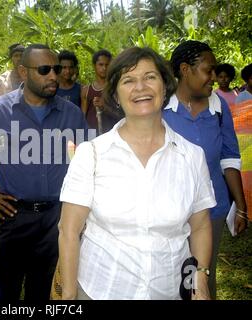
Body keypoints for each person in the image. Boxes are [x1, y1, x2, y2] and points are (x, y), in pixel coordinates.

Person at [58, 46, 216, 300]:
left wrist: (200, 275)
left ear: (165, 88)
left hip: (170, 290)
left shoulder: (191, 156)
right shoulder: (91, 154)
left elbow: (199, 226)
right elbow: (68, 231)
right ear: (116, 96)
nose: (140, 87)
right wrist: (67, 295)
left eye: (150, 77)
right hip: (101, 290)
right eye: (128, 80)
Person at [0, 44, 91, 301]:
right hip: (13, 216)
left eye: (56, 69)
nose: (53, 76)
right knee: (5, 289)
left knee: (45, 289)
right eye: (45, 70)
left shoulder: (71, 114)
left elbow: (88, 162)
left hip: (56, 220)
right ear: (23, 72)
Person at [162, 40, 248, 300]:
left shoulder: (219, 107)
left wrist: (241, 207)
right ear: (185, 69)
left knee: (202, 277)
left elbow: (230, 157)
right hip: (169, 212)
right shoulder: (159, 109)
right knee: (170, 279)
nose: (214, 77)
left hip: (213, 210)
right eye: (208, 71)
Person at [81, 49, 123, 135]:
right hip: (91, 135)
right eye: (101, 64)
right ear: (94, 66)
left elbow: (122, 116)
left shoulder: (116, 89)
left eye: (107, 65)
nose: (104, 68)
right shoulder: (86, 90)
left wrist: (104, 106)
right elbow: (82, 117)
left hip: (111, 135)